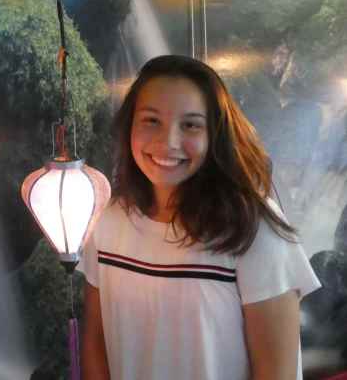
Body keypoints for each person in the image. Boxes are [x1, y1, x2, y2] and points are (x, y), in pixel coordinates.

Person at [79, 55, 321, 380]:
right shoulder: (107, 221)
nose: (168, 143)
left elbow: (278, 373)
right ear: (129, 126)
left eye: (190, 125)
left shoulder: (252, 230)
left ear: (215, 134)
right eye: (151, 120)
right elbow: (95, 344)